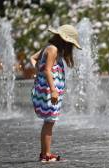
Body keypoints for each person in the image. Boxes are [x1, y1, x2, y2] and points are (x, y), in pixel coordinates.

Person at [30, 25, 81, 162]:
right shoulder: (52, 50)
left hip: (47, 91)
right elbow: (47, 70)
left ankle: (45, 153)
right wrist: (53, 89)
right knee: (49, 122)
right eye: (71, 44)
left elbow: (33, 58)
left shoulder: (50, 48)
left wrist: (37, 69)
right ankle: (46, 155)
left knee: (49, 122)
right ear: (65, 40)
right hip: (48, 92)